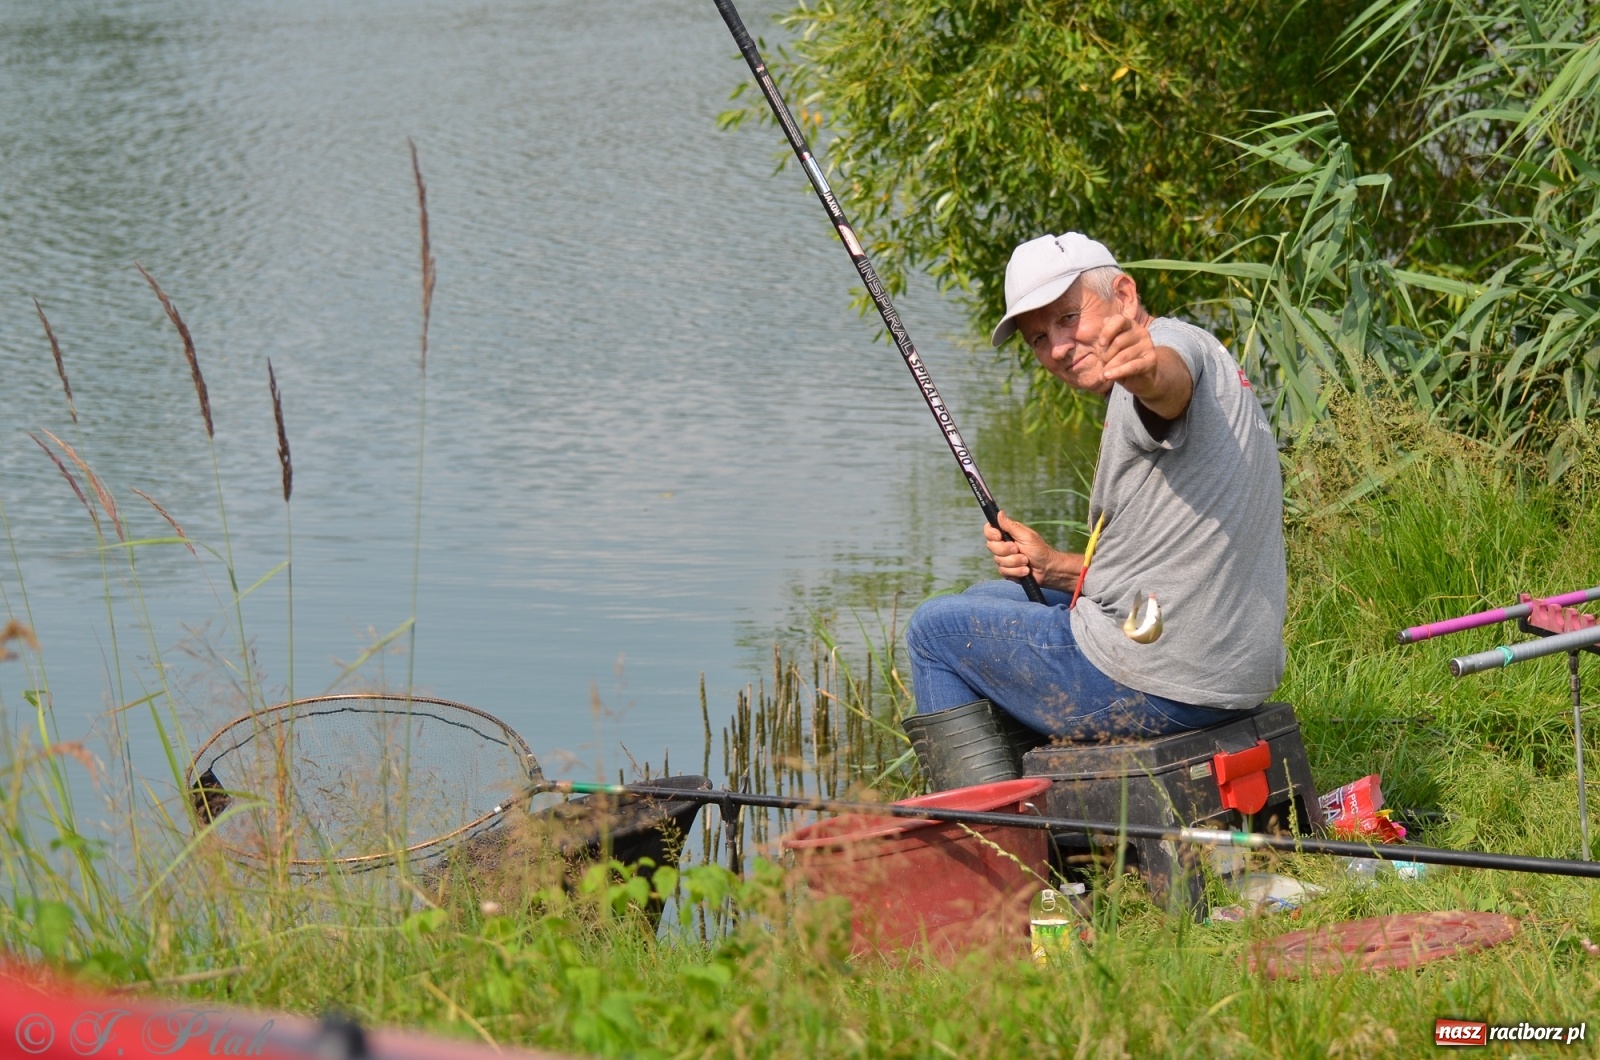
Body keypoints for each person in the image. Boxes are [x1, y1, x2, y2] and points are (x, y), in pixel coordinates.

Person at [904, 232, 1287, 742]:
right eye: (1038, 337)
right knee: (987, 596)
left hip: (1164, 676)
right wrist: (1053, 568)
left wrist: (1147, 373)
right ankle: (1050, 794)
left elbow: (1167, 387)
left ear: (1123, 296)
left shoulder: (1164, 357)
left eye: (1068, 317)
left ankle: (983, 819)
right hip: (1222, 663)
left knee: (934, 630)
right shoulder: (1209, 348)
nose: (1058, 348)